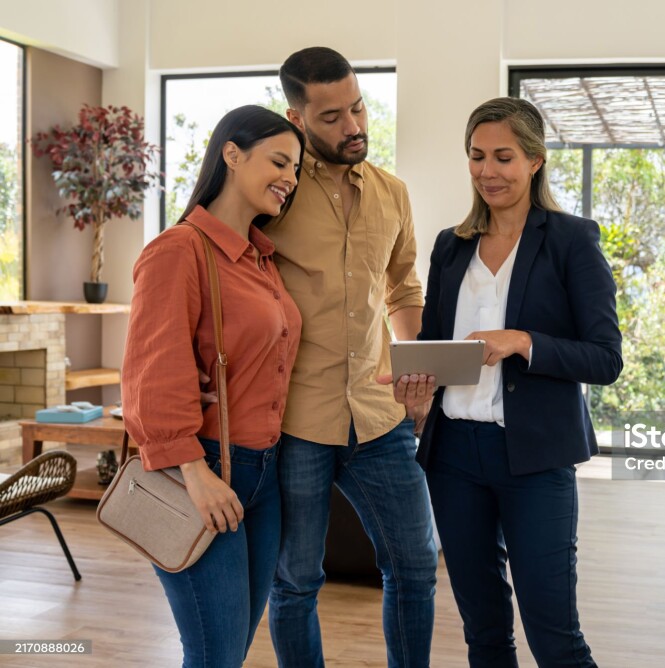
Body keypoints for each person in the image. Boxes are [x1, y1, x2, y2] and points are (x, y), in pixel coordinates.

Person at [389, 97, 622, 667]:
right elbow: (439, 345)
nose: (487, 171)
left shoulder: (571, 240)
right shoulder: (451, 245)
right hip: (454, 460)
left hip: (536, 460)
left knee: (554, 636)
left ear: (535, 161)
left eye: (503, 157)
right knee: (484, 631)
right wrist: (417, 387)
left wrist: (522, 340)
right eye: (476, 157)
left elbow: (605, 358)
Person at [264, 47, 438, 668]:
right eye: (333, 117)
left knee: (416, 567)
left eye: (359, 108)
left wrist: (418, 367)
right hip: (296, 422)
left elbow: (402, 286)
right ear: (298, 116)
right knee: (295, 582)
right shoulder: (274, 189)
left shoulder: (393, 192)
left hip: (379, 413)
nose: (354, 126)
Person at [121, 104, 305, 668]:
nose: (290, 180)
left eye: (296, 170)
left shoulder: (260, 260)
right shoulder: (179, 251)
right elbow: (153, 374)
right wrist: (193, 473)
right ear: (231, 152)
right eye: (279, 161)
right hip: (203, 472)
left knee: (230, 650)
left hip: (262, 473)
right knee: (215, 654)